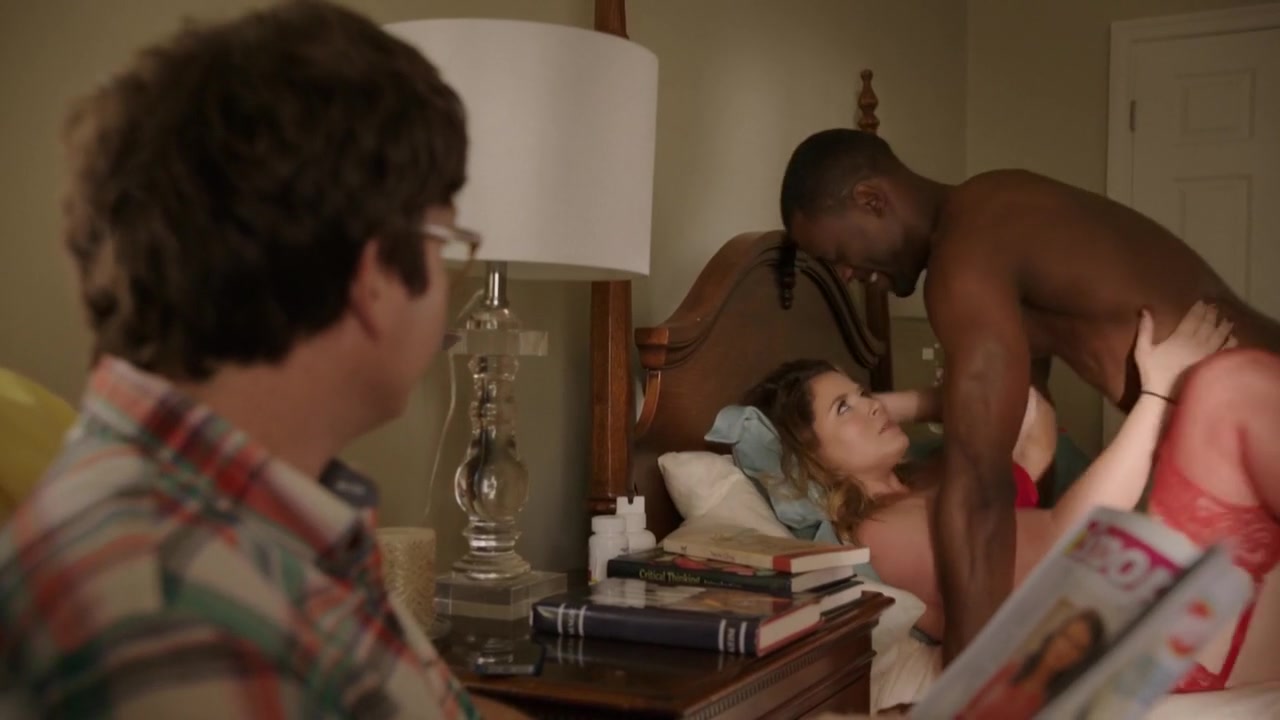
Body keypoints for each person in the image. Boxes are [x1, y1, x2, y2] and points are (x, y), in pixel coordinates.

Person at [0, 3, 524, 718]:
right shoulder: (182, 630)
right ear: (375, 277)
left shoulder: (255, 518)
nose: (446, 277)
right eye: (444, 242)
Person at [778, 128, 1280, 662]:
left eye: (839, 253)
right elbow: (1016, 416)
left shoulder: (964, 260)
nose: (846, 274)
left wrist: (964, 682)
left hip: (1252, 417)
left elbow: (979, 485)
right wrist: (892, 402)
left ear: (871, 200)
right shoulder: (995, 212)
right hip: (1243, 445)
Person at [745, 302, 1247, 669]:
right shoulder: (878, 528)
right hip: (1124, 648)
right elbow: (1063, 540)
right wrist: (1158, 392)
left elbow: (1014, 405)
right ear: (809, 458)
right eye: (844, 408)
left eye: (863, 393)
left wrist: (886, 404)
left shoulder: (917, 484)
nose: (872, 405)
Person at [958, 609, 1107, 719]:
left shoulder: (1053, 706)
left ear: (1082, 659)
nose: (1065, 648)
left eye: (1077, 648)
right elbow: (965, 709)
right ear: (1056, 634)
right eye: (1066, 636)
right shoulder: (1010, 669)